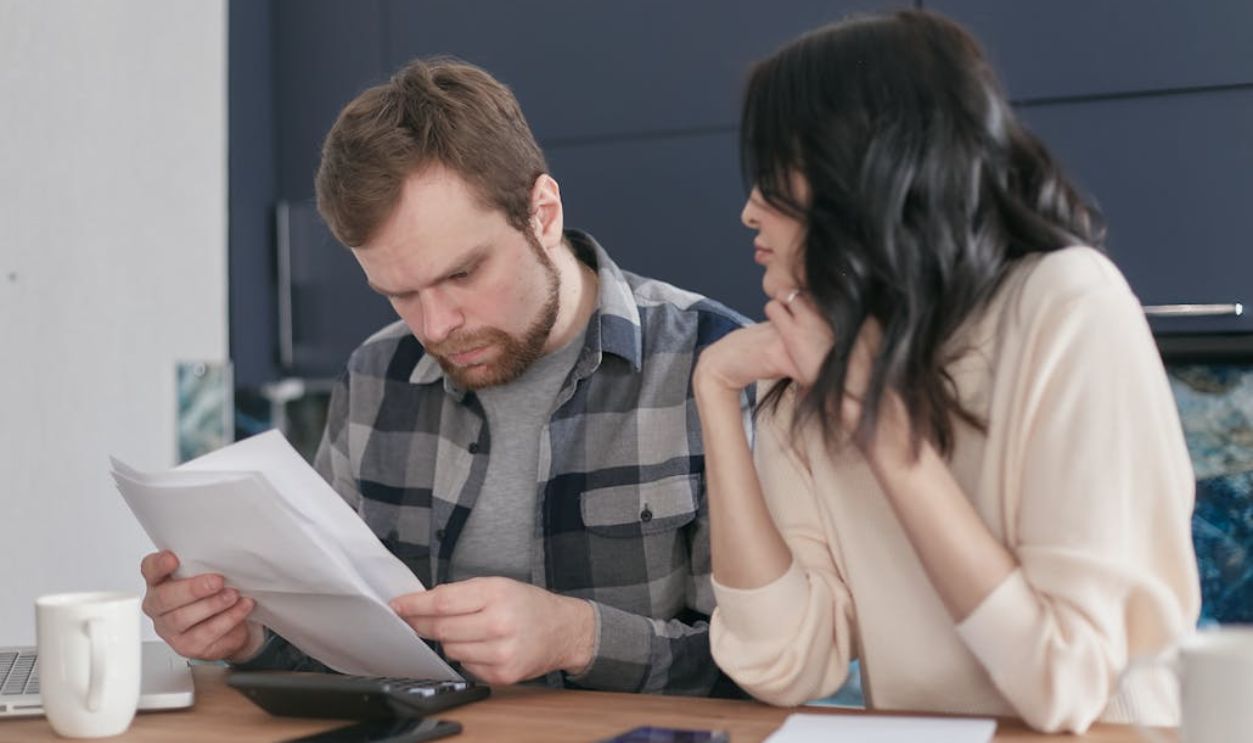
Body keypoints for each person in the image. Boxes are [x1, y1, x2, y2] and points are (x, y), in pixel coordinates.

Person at [138, 58, 749, 697]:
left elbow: (776, 668)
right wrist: (249, 637)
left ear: (543, 214)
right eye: (398, 293)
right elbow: (340, 642)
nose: (435, 327)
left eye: (462, 274)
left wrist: (579, 636)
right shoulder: (377, 376)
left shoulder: (711, 365)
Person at [693, 9, 1200, 733]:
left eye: (774, 175)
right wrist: (714, 392)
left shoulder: (1065, 305)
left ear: (861, 167)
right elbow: (780, 663)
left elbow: (1066, 682)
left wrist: (878, 429)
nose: (747, 211)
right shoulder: (808, 354)